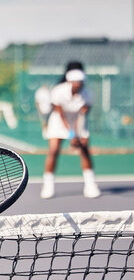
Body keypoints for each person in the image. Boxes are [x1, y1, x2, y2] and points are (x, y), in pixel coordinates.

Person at [40, 61, 100, 199]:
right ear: (69, 81)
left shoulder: (88, 94)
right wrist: (71, 134)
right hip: (59, 122)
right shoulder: (58, 91)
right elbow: (60, 114)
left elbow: (82, 114)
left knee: (84, 149)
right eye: (75, 82)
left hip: (78, 121)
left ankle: (90, 185)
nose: (78, 85)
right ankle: (48, 185)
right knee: (54, 150)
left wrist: (77, 134)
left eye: (80, 82)